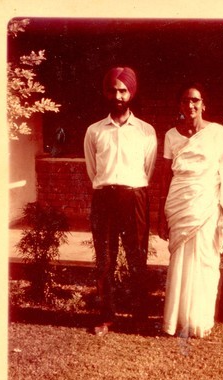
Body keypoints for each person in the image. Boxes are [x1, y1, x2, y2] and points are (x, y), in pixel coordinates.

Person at [158, 82, 223, 338]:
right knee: (180, 261)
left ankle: (199, 320)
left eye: (195, 100)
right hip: (180, 204)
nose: (190, 105)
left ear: (204, 104)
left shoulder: (218, 133)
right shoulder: (171, 135)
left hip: (206, 207)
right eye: (185, 101)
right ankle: (176, 319)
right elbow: (165, 176)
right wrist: (161, 213)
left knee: (205, 261)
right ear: (179, 105)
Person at [84, 67, 157, 334]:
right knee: (105, 260)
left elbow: (147, 169)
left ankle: (139, 316)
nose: (118, 95)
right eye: (113, 90)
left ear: (131, 93)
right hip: (104, 197)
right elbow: (93, 169)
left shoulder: (146, 132)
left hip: (134, 196)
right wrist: (110, 187)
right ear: (107, 92)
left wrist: (129, 188)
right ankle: (107, 317)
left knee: (137, 258)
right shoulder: (94, 131)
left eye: (123, 90)